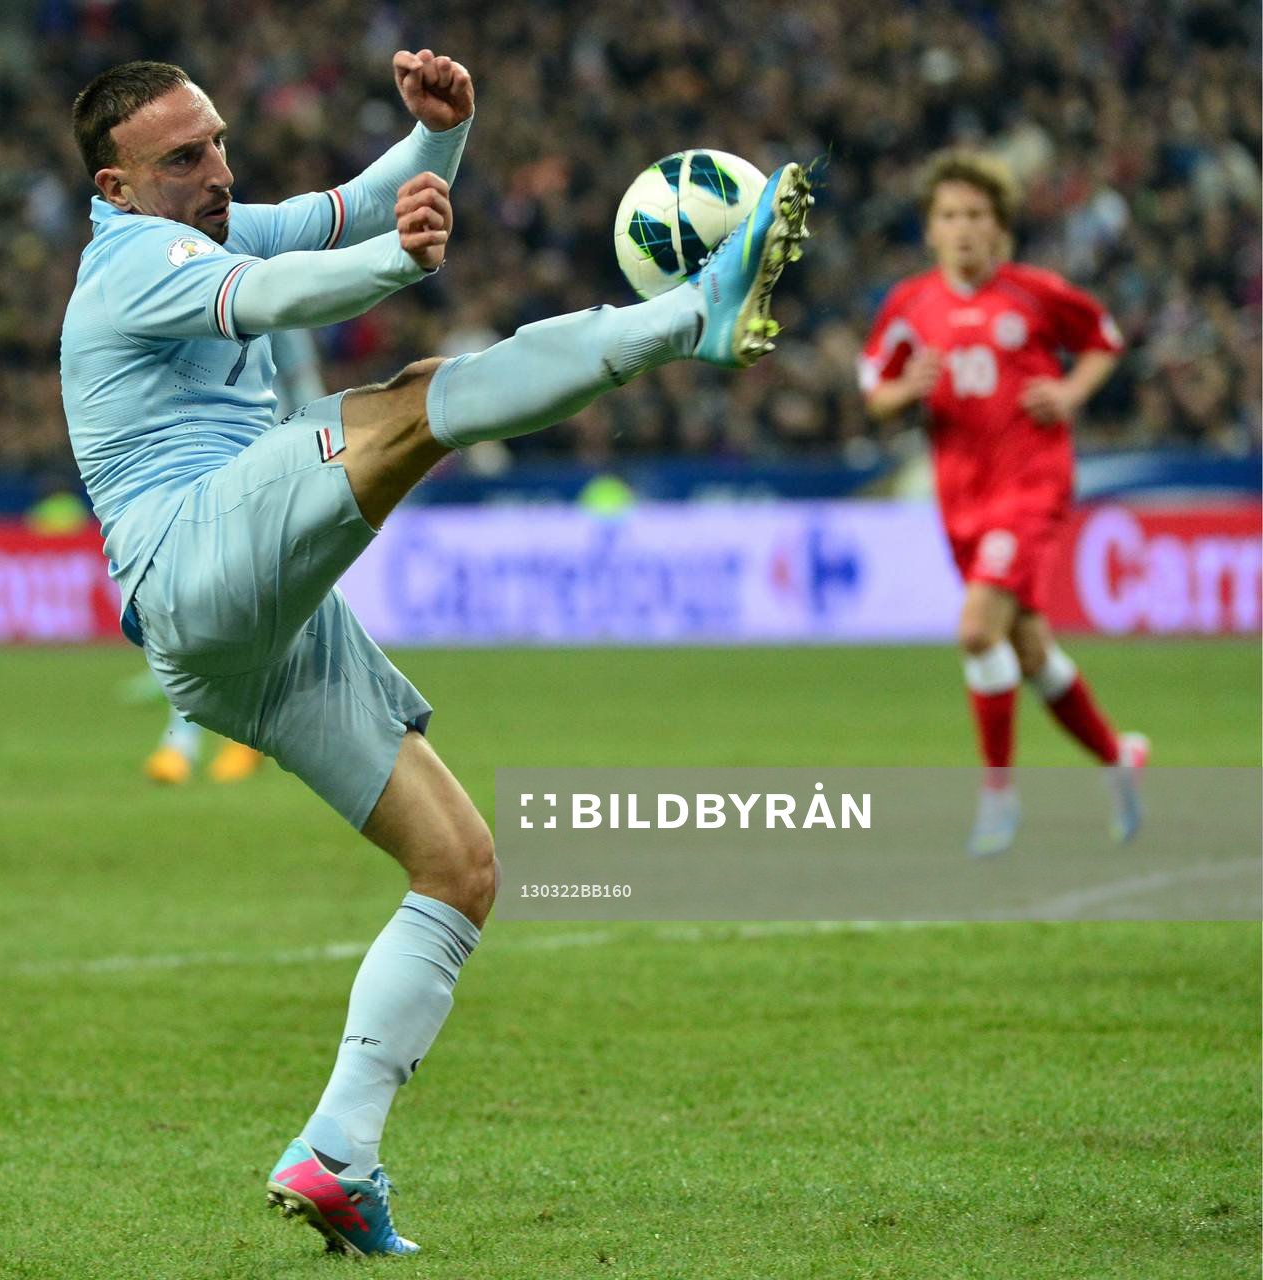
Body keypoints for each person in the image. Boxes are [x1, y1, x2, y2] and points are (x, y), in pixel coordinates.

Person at [60, 52, 811, 1255]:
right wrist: (395, 263)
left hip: (241, 633)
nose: (218, 169)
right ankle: (689, 317)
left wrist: (440, 137)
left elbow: (353, 205)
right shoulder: (128, 262)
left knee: (460, 866)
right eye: (185, 157)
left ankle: (337, 1151)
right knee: (417, 402)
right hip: (189, 553)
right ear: (116, 184)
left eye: (218, 141)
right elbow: (276, 294)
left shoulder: (213, 221)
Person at [858, 148, 1146, 858]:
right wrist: (908, 390)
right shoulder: (910, 306)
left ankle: (997, 793)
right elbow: (875, 395)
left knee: (975, 631)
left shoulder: (1035, 293)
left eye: (976, 215)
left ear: (1000, 226)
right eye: (949, 215)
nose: (963, 228)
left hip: (1031, 486)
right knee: (1030, 650)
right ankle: (1117, 758)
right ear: (930, 228)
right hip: (960, 497)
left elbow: (1105, 340)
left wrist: (1071, 391)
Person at [142, 328, 324, 786]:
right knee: (193, 603)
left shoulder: (278, 307)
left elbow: (303, 383)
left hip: (269, 466)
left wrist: (317, 455)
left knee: (250, 605)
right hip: (203, 463)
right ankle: (182, 742)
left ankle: (237, 737)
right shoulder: (190, 303)